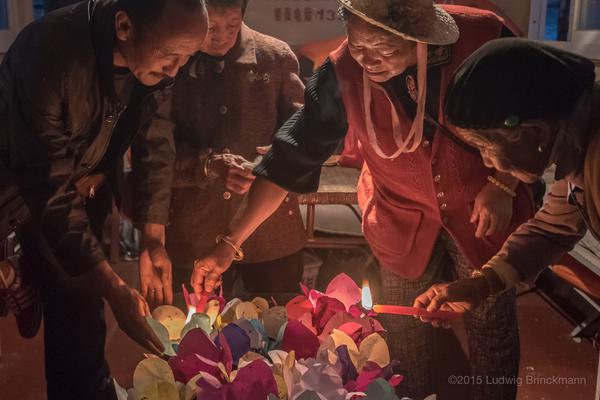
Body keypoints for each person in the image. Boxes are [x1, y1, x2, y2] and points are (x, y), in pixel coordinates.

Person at [189, 1, 536, 398]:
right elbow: (290, 157)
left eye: (384, 49)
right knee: (406, 333)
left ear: (420, 36)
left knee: (489, 326)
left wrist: (505, 183)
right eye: (358, 45)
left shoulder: (482, 37)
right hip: (398, 215)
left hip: (481, 207)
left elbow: (534, 114)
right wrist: (230, 244)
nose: (368, 62)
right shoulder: (342, 71)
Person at [0, 0, 207, 398]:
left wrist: (152, 238)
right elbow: (46, 182)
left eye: (186, 58)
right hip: (20, 190)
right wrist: (114, 287)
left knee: (80, 317)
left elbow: (155, 143)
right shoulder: (49, 53)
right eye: (169, 56)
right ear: (125, 26)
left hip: (79, 191)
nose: (175, 70)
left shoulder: (160, 65)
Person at [414, 38, 599, 326]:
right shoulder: (576, 143)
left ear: (536, 132)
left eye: (486, 147)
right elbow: (553, 228)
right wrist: (482, 284)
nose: (488, 163)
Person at [134, 0, 306, 305]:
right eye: (211, 27)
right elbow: (154, 150)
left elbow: (302, 138)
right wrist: (206, 166)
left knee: (279, 335)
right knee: (194, 334)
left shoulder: (275, 57)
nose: (222, 36)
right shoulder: (173, 63)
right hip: (192, 230)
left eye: (233, 24)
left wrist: (270, 162)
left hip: (270, 234)